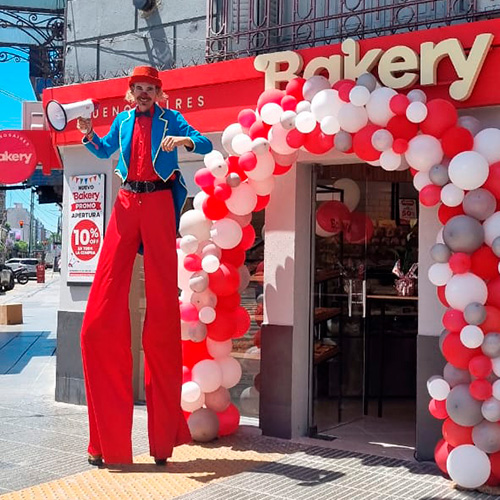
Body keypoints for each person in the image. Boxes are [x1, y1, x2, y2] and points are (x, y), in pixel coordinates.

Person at [76, 65, 213, 466]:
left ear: (158, 91)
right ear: (130, 92)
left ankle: (163, 441)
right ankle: (105, 442)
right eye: (138, 88)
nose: (143, 93)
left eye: (150, 88)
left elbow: (205, 144)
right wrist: (87, 134)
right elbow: (104, 151)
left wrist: (183, 141)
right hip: (126, 203)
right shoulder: (121, 120)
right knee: (97, 321)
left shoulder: (172, 119)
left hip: (156, 204)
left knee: (163, 316)